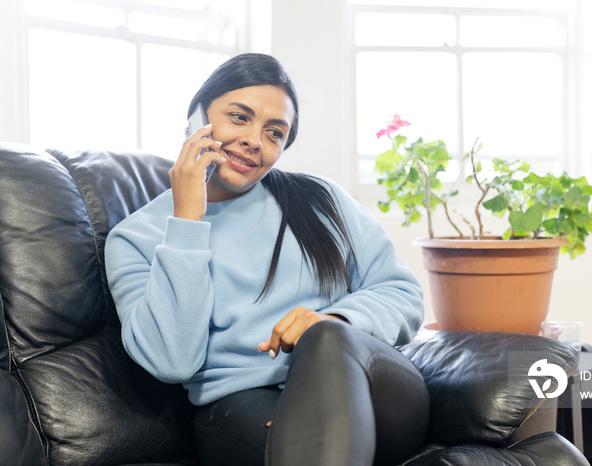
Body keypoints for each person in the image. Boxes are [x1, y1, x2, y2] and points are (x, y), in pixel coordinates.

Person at [105, 53, 430, 466]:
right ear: (195, 119)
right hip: (244, 406)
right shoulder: (136, 239)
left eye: (274, 133)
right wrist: (187, 220)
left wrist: (336, 322)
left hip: (374, 391)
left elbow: (401, 292)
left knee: (326, 339)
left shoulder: (321, 199)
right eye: (239, 117)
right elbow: (172, 359)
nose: (255, 140)